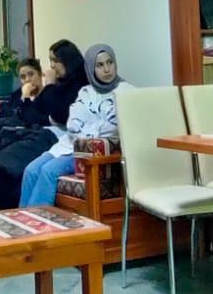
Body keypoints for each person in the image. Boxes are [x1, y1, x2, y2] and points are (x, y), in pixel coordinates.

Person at [0, 39, 91, 209]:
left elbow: (59, 114)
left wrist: (48, 87)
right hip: (38, 134)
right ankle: (19, 215)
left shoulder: (80, 85)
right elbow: (33, 109)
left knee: (5, 159)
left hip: (59, 137)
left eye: (55, 60)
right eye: (50, 61)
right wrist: (26, 98)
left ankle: (30, 215)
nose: (52, 66)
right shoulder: (56, 85)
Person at [18, 43, 134, 208]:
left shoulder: (126, 92)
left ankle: (37, 222)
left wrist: (87, 130)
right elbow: (72, 124)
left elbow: (114, 127)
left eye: (110, 63)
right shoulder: (86, 92)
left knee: (48, 171)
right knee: (31, 170)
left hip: (93, 153)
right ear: (91, 68)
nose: (107, 69)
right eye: (100, 65)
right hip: (69, 144)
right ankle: (23, 219)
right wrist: (96, 128)